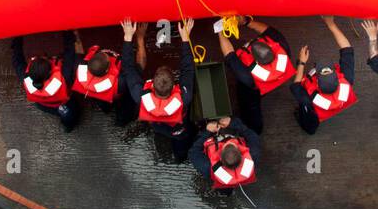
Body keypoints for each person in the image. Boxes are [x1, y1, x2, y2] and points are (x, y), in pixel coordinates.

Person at [121, 17, 197, 161]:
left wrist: (128, 37)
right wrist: (186, 39)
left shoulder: (140, 96)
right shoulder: (184, 98)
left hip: (157, 124)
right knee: (182, 141)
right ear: (175, 86)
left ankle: (164, 142)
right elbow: (188, 70)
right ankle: (180, 156)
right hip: (177, 128)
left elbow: (128, 68)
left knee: (160, 131)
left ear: (152, 85)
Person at [219, 16, 293, 134]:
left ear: (256, 61)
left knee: (249, 107)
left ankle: (255, 129)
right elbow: (268, 30)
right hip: (272, 80)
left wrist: (220, 31)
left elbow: (229, 55)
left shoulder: (246, 76)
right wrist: (246, 21)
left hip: (251, 89)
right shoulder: (283, 48)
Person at [289, 15, 357, 135]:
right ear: (337, 78)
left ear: (317, 84)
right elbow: (347, 48)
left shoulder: (307, 99)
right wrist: (331, 24)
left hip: (313, 113)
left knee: (309, 122)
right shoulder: (347, 80)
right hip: (335, 105)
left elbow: (296, 86)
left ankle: (310, 129)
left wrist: (301, 62)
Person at [11, 31, 80, 131]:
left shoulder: (26, 79)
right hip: (64, 103)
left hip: (43, 105)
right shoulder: (63, 77)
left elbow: (17, 60)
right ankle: (69, 126)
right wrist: (67, 31)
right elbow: (70, 53)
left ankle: (68, 126)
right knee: (70, 116)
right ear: (50, 73)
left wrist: (17, 37)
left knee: (63, 114)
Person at [71, 29, 136, 124]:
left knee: (104, 105)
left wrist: (76, 35)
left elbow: (79, 52)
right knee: (124, 103)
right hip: (115, 96)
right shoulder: (120, 82)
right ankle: (121, 119)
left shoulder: (80, 68)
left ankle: (106, 110)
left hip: (96, 95)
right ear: (107, 70)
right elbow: (131, 69)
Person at [189, 115, 260, 194]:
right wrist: (232, 123)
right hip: (238, 177)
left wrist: (207, 132)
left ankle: (224, 192)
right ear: (241, 155)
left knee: (222, 185)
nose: (228, 141)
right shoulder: (252, 156)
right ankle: (229, 191)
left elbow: (194, 152)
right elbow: (253, 137)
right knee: (226, 186)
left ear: (220, 158)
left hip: (221, 178)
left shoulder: (207, 168)